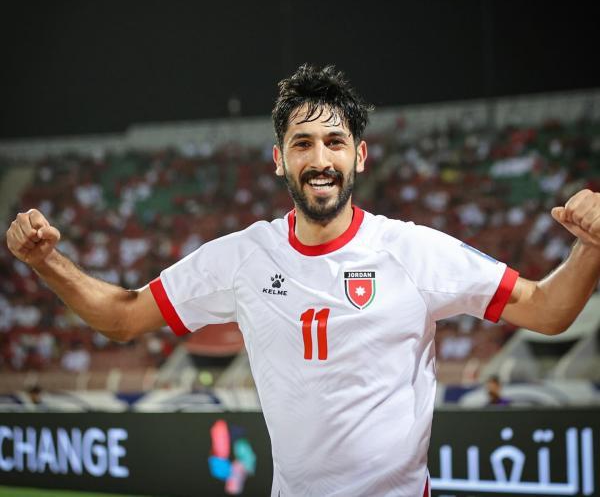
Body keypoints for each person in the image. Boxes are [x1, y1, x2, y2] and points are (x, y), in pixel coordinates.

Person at [6, 64, 600, 497]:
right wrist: (46, 262)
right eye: (303, 144)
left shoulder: (411, 251)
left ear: (360, 156)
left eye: (335, 142)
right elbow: (123, 317)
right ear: (279, 159)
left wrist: (591, 248)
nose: (320, 159)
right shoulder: (243, 257)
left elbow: (547, 311)